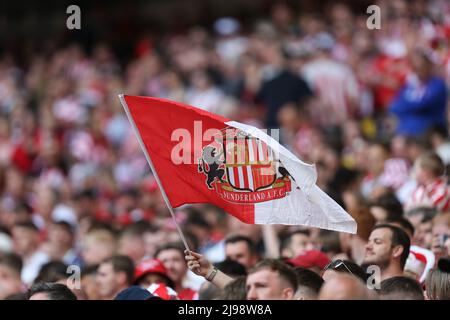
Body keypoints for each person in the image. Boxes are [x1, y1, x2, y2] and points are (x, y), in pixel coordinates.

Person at [390, 48, 447, 137]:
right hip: (406, 129)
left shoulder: (438, 84)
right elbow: (395, 107)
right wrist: (411, 105)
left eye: (420, 64)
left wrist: (407, 104)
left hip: (430, 130)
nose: (417, 68)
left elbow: (423, 104)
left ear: (428, 65)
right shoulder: (410, 85)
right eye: (414, 65)